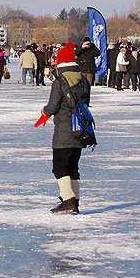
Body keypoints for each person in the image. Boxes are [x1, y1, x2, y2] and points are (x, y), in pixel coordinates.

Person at [38, 42, 90, 215]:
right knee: (73, 167)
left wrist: (44, 112)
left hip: (64, 130)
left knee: (60, 167)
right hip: (80, 128)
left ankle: (68, 201)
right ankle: (74, 201)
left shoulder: (59, 81)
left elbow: (53, 107)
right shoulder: (83, 80)